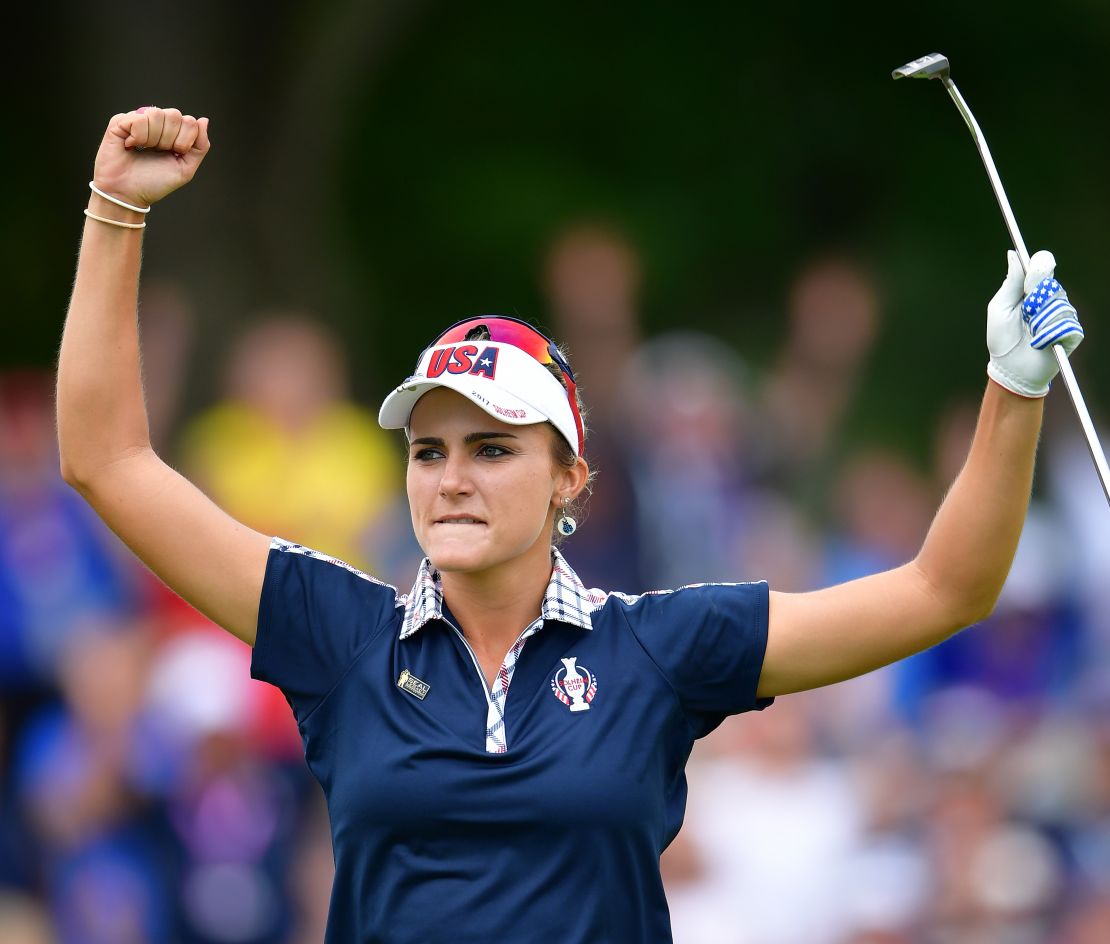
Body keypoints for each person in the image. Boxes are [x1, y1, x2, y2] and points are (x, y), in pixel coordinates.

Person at [55, 107, 1084, 943]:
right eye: (430, 450)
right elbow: (105, 460)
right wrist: (114, 212)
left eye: (492, 449)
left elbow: (944, 589)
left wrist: (1013, 387)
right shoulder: (341, 629)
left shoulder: (660, 646)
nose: (451, 477)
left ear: (569, 479)